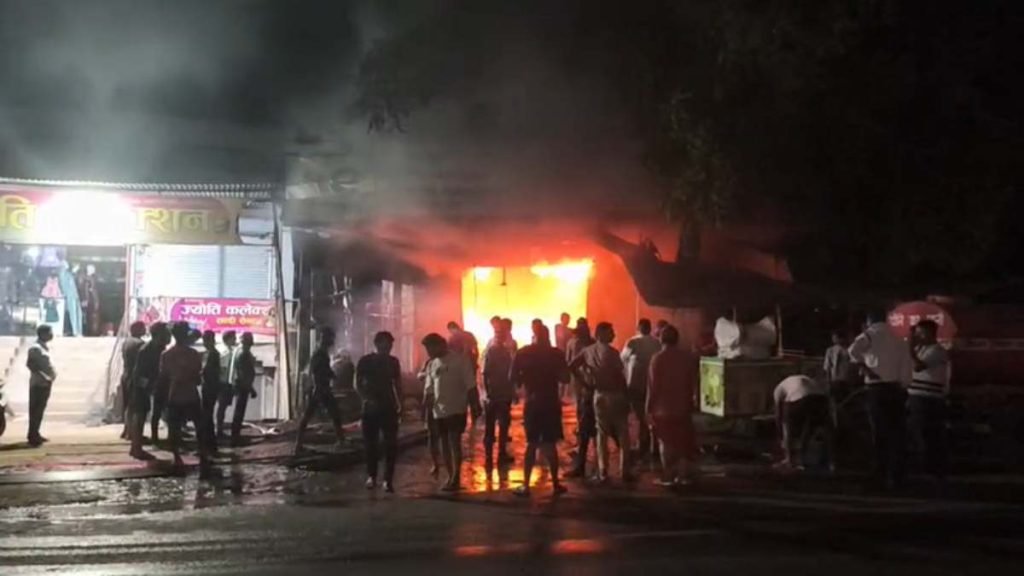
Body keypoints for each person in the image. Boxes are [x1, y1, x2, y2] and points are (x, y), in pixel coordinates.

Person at [849, 309, 913, 489]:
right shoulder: (900, 337)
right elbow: (907, 365)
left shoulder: (870, 334)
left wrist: (866, 369)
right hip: (896, 389)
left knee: (879, 431)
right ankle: (897, 475)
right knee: (897, 432)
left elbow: (852, 351)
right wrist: (904, 385)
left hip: (876, 388)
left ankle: (880, 472)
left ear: (869, 321)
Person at [510, 323, 570, 496]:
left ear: (533, 336)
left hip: (533, 403)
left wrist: (523, 383)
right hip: (551, 403)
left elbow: (513, 378)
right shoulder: (556, 354)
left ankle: (526, 485)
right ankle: (556, 484)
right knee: (550, 444)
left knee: (532, 443)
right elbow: (565, 378)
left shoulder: (523, 353)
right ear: (548, 336)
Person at [569, 322, 631, 483]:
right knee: (623, 432)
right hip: (615, 395)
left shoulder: (587, 351)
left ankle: (603, 472)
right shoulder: (613, 353)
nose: (613, 335)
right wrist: (627, 397)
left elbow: (572, 366)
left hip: (598, 395)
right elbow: (620, 377)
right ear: (601, 334)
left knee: (601, 435)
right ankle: (625, 471)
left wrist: (585, 382)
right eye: (610, 332)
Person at [421, 332, 476, 491]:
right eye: (427, 349)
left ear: (440, 345)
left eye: (431, 348)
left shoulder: (460, 361)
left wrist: (475, 406)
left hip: (456, 409)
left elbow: (471, 386)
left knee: (454, 442)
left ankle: (456, 477)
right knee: (444, 443)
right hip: (439, 411)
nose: (429, 352)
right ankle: (450, 475)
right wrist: (425, 409)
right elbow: (429, 390)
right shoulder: (432, 364)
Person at [648, 325, 700, 485]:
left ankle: (669, 476)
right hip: (683, 408)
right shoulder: (687, 358)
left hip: (662, 410)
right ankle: (683, 476)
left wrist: (648, 409)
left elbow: (653, 387)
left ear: (661, 339)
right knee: (683, 443)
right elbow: (694, 382)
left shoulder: (657, 359)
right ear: (677, 339)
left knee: (666, 443)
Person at [356, 331, 403, 492]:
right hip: (370, 408)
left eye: (390, 344)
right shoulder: (365, 361)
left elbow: (397, 384)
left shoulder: (393, 362)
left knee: (391, 445)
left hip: (388, 407)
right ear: (377, 344)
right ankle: (372, 476)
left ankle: (388, 480)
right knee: (371, 444)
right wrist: (365, 398)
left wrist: (400, 404)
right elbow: (357, 382)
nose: (389, 347)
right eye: (386, 343)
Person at [160, 322, 209, 470]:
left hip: (174, 394)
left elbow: (164, 378)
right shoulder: (193, 354)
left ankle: (177, 457)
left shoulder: (166, 355)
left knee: (174, 428)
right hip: (191, 393)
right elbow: (198, 377)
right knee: (199, 426)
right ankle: (203, 454)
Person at [907, 320, 951, 479]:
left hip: (928, 398)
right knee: (918, 432)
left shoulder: (937, 350)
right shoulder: (920, 349)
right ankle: (925, 465)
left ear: (930, 333)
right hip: (916, 396)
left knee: (927, 433)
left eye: (921, 333)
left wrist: (910, 348)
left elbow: (918, 367)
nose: (918, 336)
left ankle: (931, 468)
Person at [294, 327, 347, 454]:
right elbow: (317, 371)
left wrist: (331, 375)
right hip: (321, 389)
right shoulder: (320, 354)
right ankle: (340, 441)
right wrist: (329, 377)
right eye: (331, 338)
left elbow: (322, 369)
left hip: (320, 389)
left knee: (312, 416)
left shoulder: (321, 352)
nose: (332, 341)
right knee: (333, 414)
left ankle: (299, 444)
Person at [773, 374, 834, 472]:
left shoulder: (778, 389)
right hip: (821, 399)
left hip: (800, 398)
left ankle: (789, 460)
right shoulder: (803, 378)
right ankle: (830, 461)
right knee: (813, 428)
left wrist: (780, 434)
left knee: (787, 426)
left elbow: (778, 415)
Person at [621, 318, 662, 462]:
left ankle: (642, 444)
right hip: (652, 384)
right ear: (649, 328)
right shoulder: (657, 343)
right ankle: (653, 445)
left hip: (636, 384)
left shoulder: (632, 342)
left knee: (639, 416)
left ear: (638, 328)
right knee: (651, 414)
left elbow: (622, 358)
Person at [130, 322, 169, 458]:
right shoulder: (146, 350)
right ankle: (136, 447)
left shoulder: (159, 349)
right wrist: (148, 387)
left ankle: (137, 446)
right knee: (139, 416)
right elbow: (138, 374)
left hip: (150, 387)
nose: (168, 336)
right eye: (166, 333)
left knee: (144, 414)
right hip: (141, 388)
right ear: (158, 335)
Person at [482, 317, 517, 470]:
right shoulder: (494, 350)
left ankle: (495, 455)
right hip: (497, 394)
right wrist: (488, 392)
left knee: (500, 426)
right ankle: (493, 456)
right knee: (496, 426)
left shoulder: (502, 350)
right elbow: (485, 373)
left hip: (500, 393)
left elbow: (509, 373)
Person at [565, 318, 596, 478]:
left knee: (585, 419)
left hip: (586, 387)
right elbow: (570, 362)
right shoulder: (586, 344)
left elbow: (570, 362)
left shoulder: (586, 345)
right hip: (588, 386)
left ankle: (585, 462)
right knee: (587, 419)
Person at [26, 324, 56, 447]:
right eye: (50, 332)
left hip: (45, 384)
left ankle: (35, 433)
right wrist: (44, 376)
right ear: (43, 334)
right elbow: (31, 364)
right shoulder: (35, 348)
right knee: (35, 411)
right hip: (38, 384)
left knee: (39, 411)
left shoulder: (44, 347)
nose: (51, 335)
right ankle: (32, 436)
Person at [447, 321, 481, 422]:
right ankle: (476, 412)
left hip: (460, 369)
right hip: (470, 367)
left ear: (452, 328)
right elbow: (475, 350)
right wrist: (474, 362)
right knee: (471, 390)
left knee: (463, 391)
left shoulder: (452, 338)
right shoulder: (468, 335)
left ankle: (464, 414)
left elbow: (450, 354)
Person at [119, 321, 147, 439]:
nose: (145, 330)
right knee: (136, 407)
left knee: (128, 405)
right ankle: (133, 433)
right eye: (143, 328)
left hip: (126, 375)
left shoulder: (126, 342)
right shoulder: (140, 344)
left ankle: (127, 430)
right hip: (134, 377)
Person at [231, 333, 258, 447]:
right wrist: (251, 388)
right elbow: (243, 373)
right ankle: (235, 437)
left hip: (241, 384)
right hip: (242, 385)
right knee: (239, 411)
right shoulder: (243, 353)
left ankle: (236, 435)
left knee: (239, 410)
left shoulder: (240, 351)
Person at [200, 331, 221, 453]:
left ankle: (209, 445)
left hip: (210, 387)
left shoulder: (213, 354)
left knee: (207, 416)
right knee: (206, 416)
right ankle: (209, 444)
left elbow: (207, 370)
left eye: (205, 340)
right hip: (207, 386)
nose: (204, 343)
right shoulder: (208, 353)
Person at [216, 331, 239, 439]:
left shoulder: (224, 349)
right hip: (223, 383)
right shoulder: (225, 352)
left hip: (223, 382)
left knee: (222, 407)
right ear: (228, 339)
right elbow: (223, 369)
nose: (235, 340)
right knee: (222, 407)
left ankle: (219, 428)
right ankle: (219, 429)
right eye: (233, 338)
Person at [824, 331, 854, 399]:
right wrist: (828, 381)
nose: (834, 340)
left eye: (836, 338)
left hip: (847, 379)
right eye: (833, 338)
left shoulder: (850, 349)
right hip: (835, 379)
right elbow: (828, 366)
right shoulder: (830, 350)